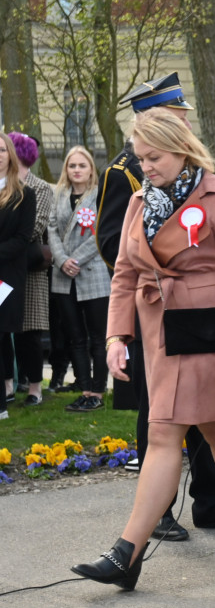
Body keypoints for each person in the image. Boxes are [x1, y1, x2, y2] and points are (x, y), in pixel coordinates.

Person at [72, 108, 215, 590]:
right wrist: (115, 336)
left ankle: (127, 553)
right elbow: (124, 273)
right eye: (141, 158)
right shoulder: (140, 203)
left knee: (182, 433)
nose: (146, 166)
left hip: (210, 334)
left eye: (155, 156)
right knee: (211, 433)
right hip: (161, 334)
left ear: (182, 149)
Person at [94, 73, 215, 539]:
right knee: (158, 418)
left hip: (202, 319)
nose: (183, 123)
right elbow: (114, 247)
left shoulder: (203, 179)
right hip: (155, 314)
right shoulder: (129, 171)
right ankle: (156, 514)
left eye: (180, 115)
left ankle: (212, 501)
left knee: (213, 418)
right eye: (173, 115)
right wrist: (136, 310)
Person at [48, 146, 111, 413]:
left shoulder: (99, 194)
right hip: (64, 275)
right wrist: (62, 260)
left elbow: (101, 232)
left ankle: (97, 391)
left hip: (91, 272)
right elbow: (51, 228)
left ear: (90, 169)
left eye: (81, 166)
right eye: (72, 166)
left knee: (98, 337)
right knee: (75, 337)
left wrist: (77, 259)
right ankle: (83, 389)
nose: (76, 170)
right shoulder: (59, 194)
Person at [6, 132, 53, 408]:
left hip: (30, 269)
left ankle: (35, 387)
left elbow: (36, 226)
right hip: (5, 266)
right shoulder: (3, 186)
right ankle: (8, 385)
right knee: (4, 330)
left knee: (30, 332)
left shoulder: (41, 187)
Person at [0, 133, 37, 421]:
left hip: (6, 275)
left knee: (2, 332)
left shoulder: (24, 194)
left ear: (10, 155)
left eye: (1, 150)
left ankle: (4, 396)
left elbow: (23, 239)